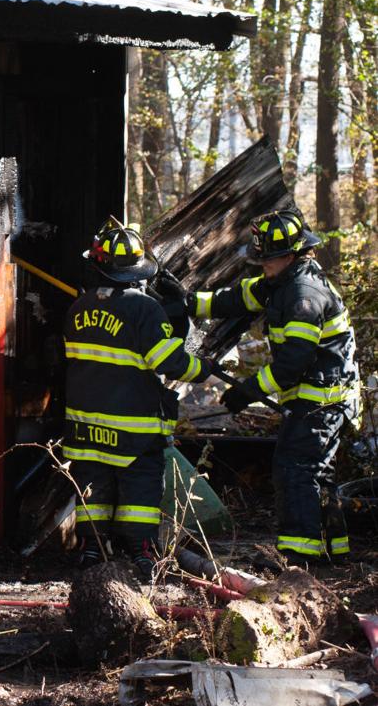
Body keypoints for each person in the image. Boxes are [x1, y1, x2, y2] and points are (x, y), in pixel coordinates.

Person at [190, 207, 358, 566]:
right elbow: (237, 298)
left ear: (291, 254)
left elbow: (292, 363)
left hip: (321, 400)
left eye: (267, 259)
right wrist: (188, 302)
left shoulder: (302, 295)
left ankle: (298, 555)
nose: (262, 265)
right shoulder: (281, 283)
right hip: (318, 398)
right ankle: (332, 549)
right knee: (316, 472)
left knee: (294, 467)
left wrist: (247, 391)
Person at [63, 219, 218, 578]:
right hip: (134, 427)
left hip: (87, 425)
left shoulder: (78, 309)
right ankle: (141, 552)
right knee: (139, 489)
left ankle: (92, 549)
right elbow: (171, 362)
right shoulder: (145, 309)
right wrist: (204, 366)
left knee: (92, 484)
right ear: (138, 271)